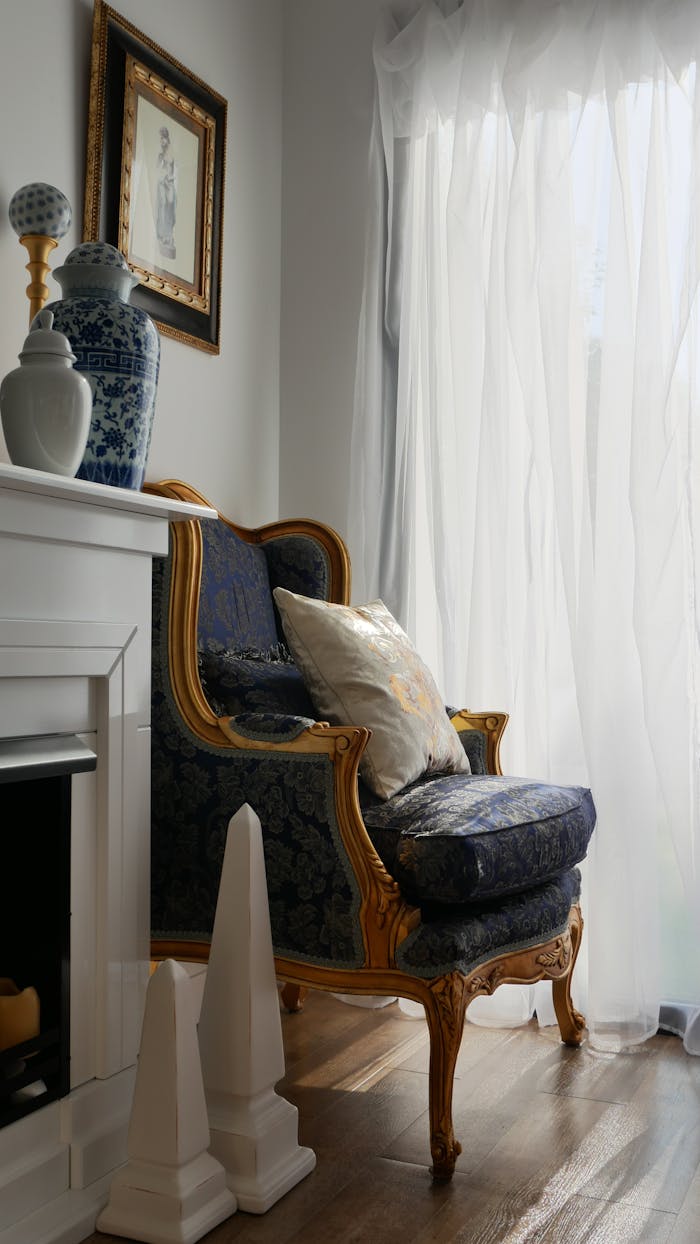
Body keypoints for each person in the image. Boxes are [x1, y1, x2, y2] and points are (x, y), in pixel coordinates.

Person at [155, 126, 177, 261]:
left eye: (162, 139)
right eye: (160, 139)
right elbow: (157, 169)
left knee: (169, 209)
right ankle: (162, 236)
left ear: (166, 138)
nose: (161, 141)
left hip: (169, 184)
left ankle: (168, 236)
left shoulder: (171, 153)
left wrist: (168, 178)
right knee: (162, 207)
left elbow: (174, 172)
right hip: (163, 184)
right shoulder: (161, 155)